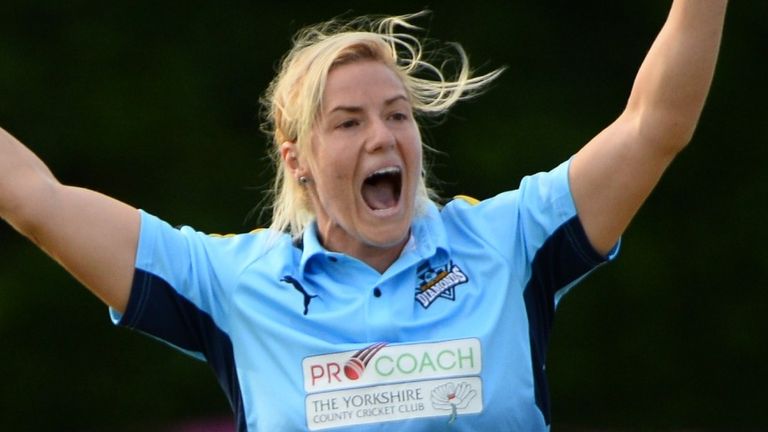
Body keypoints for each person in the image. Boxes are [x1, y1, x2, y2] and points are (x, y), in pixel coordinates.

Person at [0, 1, 728, 431]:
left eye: (397, 114)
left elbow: (655, 125)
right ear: (298, 161)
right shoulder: (227, 282)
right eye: (348, 123)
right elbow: (36, 199)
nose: (382, 136)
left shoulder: (509, 241)